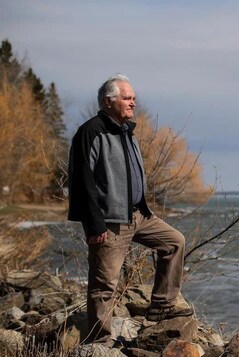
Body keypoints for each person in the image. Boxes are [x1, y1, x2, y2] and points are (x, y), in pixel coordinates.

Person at [68, 74, 193, 343]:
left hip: (138, 214)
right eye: (127, 98)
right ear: (108, 101)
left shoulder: (128, 133)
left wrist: (144, 207)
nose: (133, 103)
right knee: (104, 286)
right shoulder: (91, 132)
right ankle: (100, 342)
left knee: (174, 242)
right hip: (109, 221)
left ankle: (161, 306)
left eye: (134, 98)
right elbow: (81, 181)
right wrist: (94, 224)